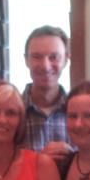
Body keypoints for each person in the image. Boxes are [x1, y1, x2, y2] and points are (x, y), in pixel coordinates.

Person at [20, 25, 73, 163]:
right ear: (26, 60)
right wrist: (38, 161)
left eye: (54, 57)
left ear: (66, 60)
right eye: (36, 57)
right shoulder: (10, 113)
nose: (45, 66)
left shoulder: (80, 113)